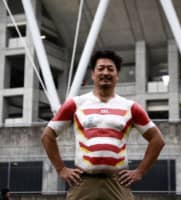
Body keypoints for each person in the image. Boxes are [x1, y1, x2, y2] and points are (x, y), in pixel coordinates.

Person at [41, 50, 165, 200]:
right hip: (83, 182)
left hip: (117, 183)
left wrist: (140, 172)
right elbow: (48, 135)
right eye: (100, 68)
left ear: (117, 75)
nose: (105, 72)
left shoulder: (130, 107)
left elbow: (157, 140)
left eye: (110, 69)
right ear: (93, 74)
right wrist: (61, 169)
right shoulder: (76, 104)